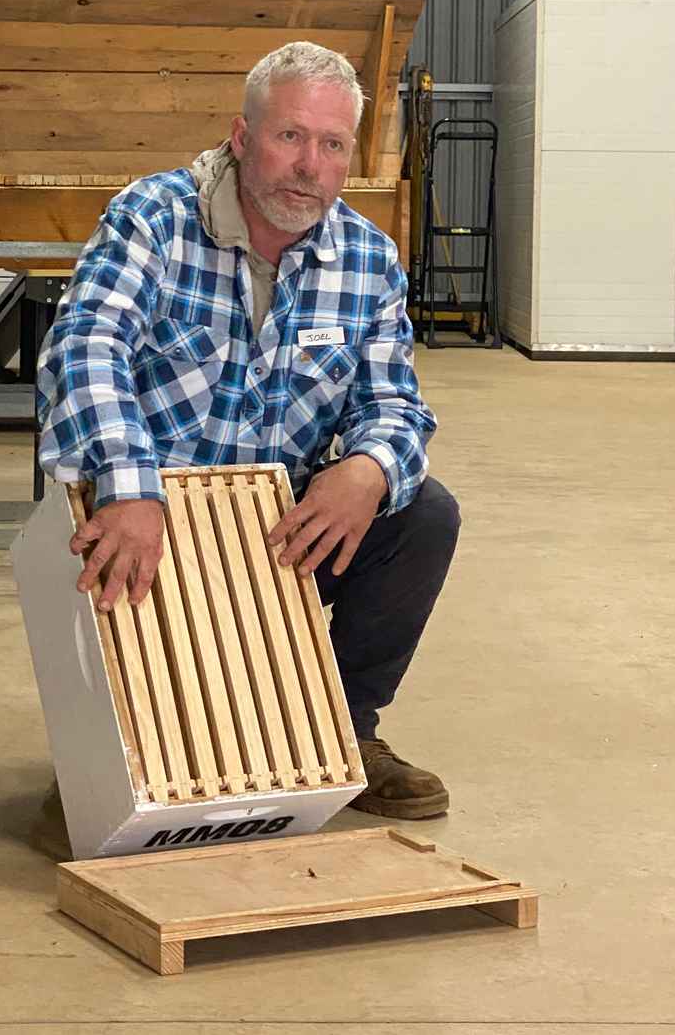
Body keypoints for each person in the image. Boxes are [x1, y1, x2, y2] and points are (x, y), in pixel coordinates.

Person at [37, 41, 461, 819]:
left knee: (423, 512)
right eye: (290, 136)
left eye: (332, 145)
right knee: (130, 785)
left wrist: (366, 466)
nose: (309, 164)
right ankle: (110, 758)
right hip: (151, 527)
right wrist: (129, 486)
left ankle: (343, 727)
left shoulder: (368, 260)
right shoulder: (153, 219)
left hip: (274, 530)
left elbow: (396, 405)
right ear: (242, 136)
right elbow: (85, 346)